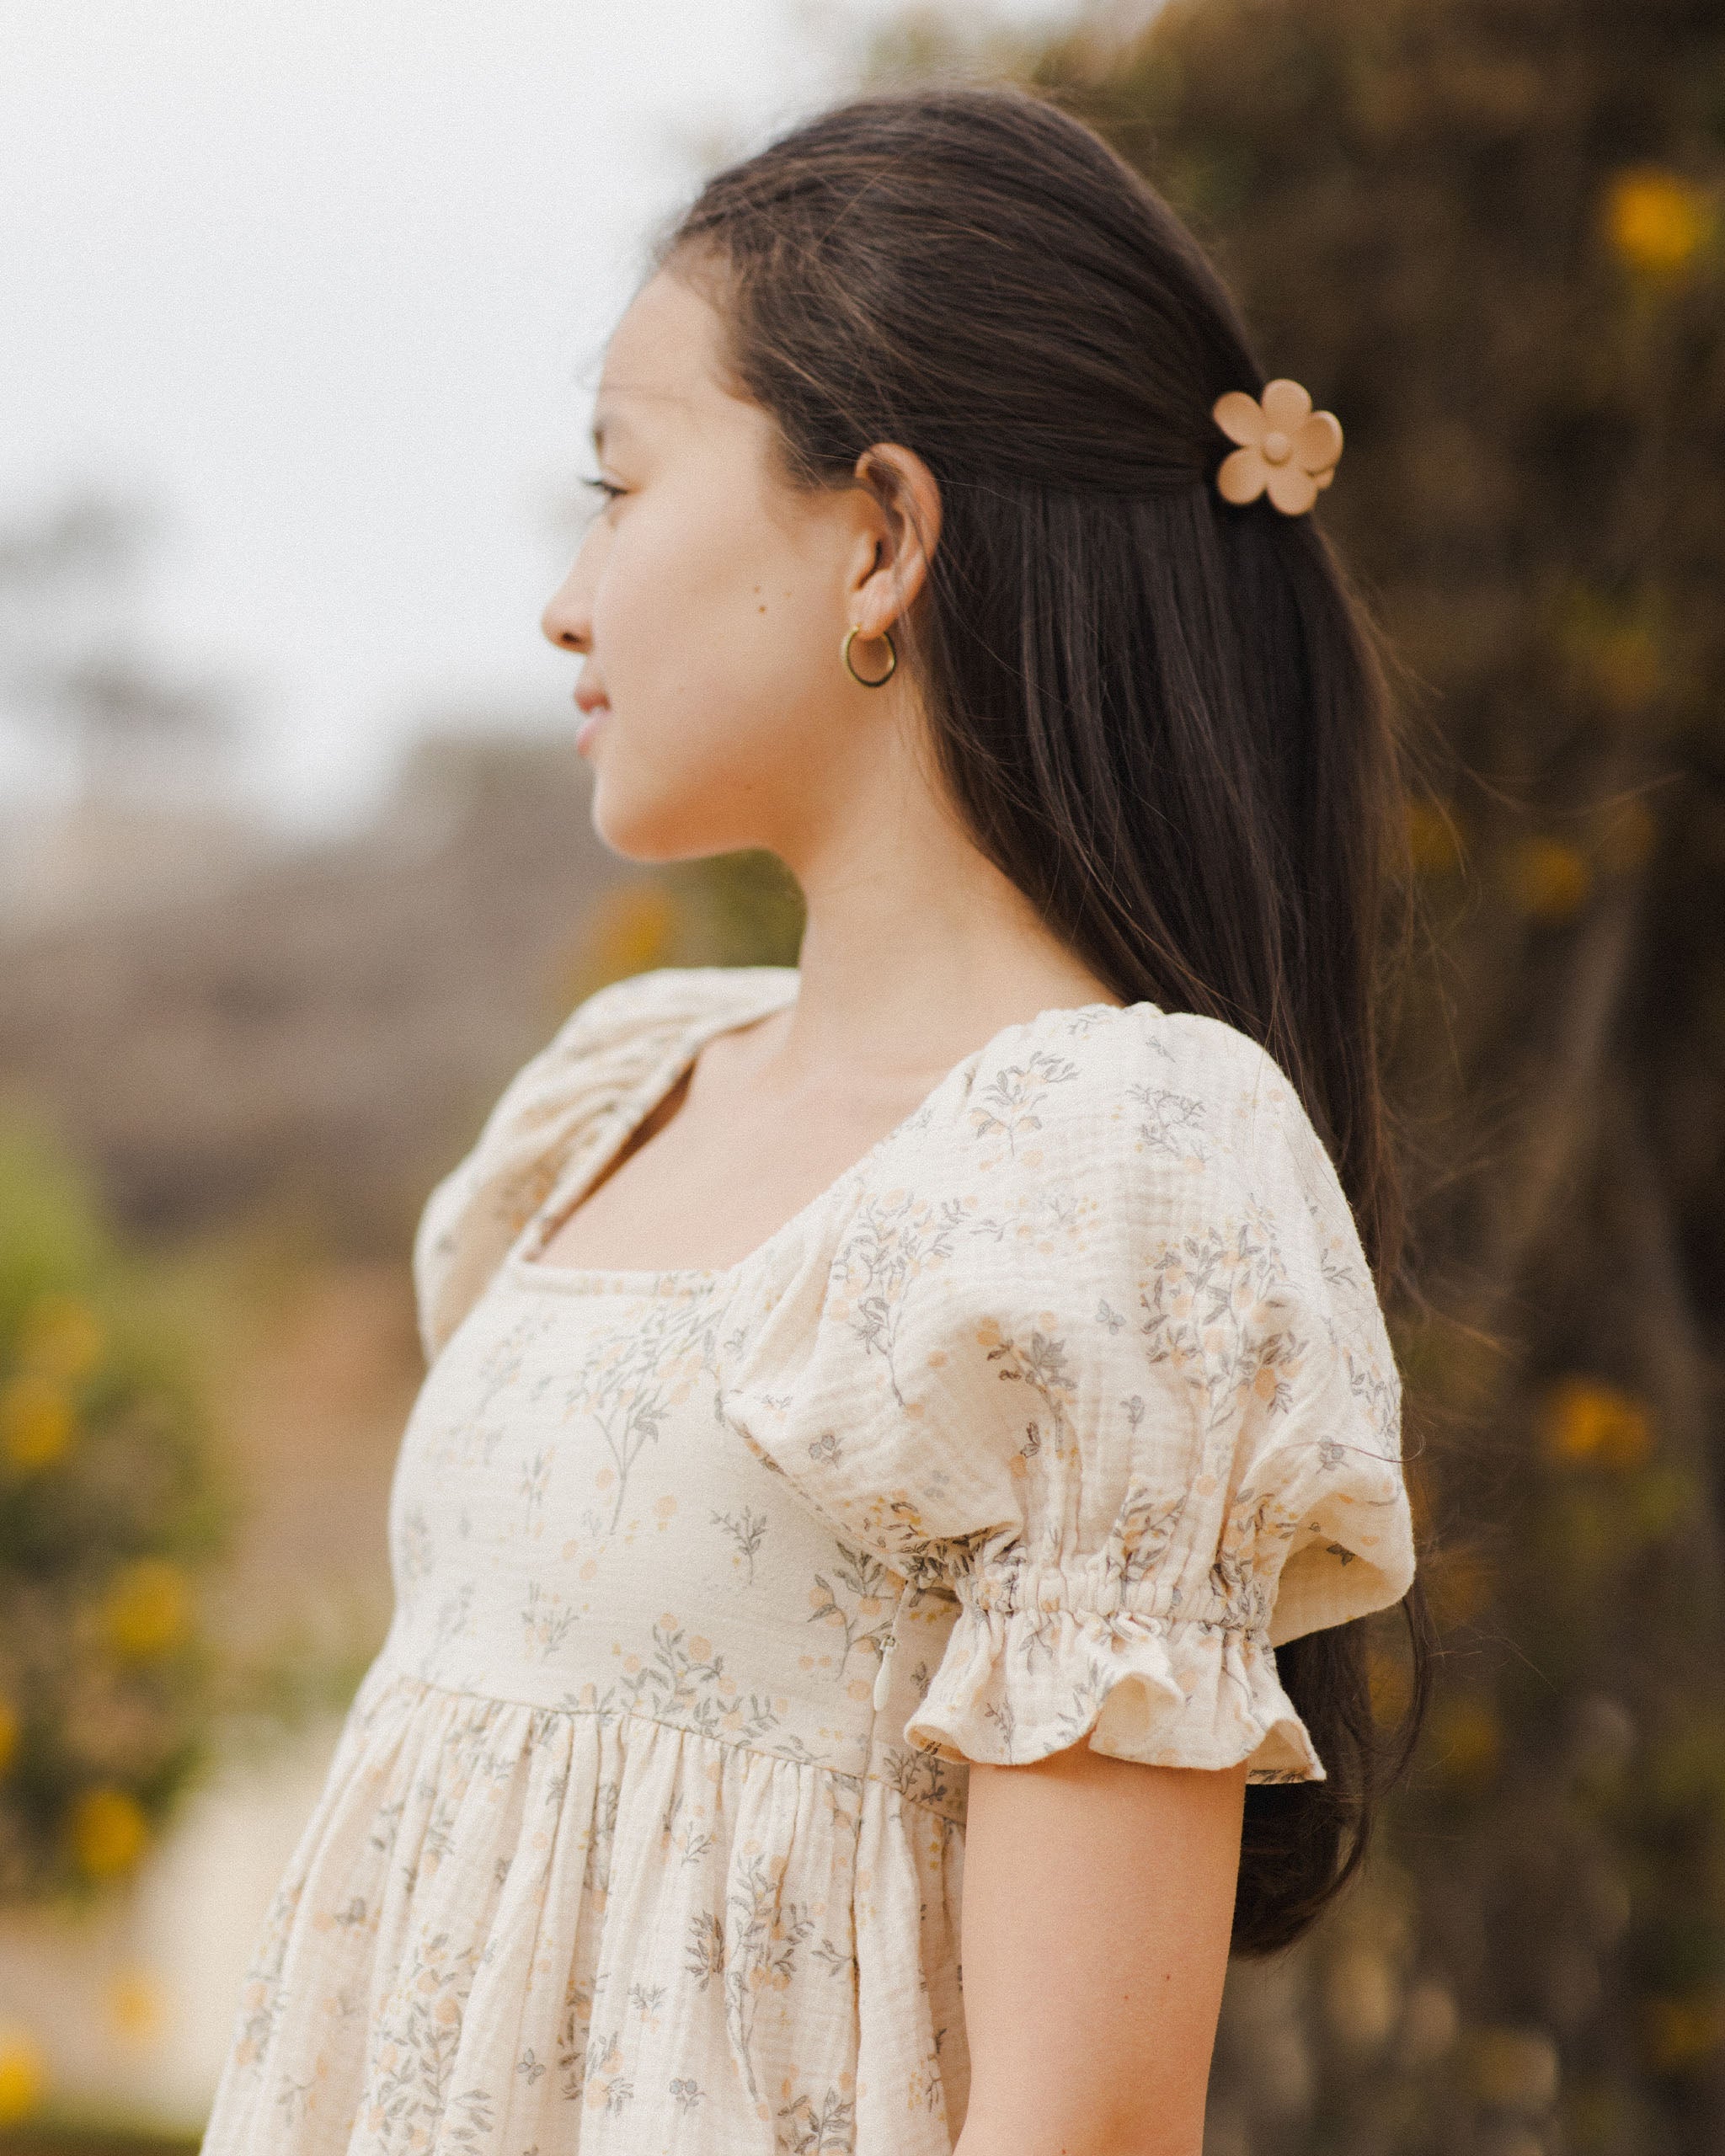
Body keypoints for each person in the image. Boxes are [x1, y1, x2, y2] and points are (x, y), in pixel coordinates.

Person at [200, 79, 1429, 2156]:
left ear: (879, 535)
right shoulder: (625, 1089)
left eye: (616, 483)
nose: (564, 601)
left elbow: (1081, 2126)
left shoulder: (1107, 1178)